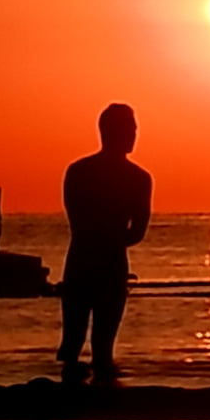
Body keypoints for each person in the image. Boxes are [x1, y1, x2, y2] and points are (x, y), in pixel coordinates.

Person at [57, 103, 151, 382]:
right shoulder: (137, 178)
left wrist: (101, 237)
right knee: (97, 346)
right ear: (110, 132)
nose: (134, 135)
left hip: (85, 258)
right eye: (130, 129)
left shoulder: (78, 171)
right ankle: (98, 400)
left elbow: (77, 221)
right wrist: (112, 237)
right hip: (105, 262)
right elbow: (136, 232)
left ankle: (77, 401)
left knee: (77, 341)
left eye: (134, 129)